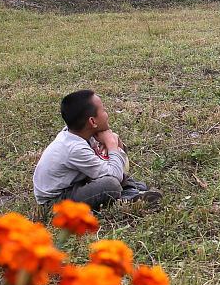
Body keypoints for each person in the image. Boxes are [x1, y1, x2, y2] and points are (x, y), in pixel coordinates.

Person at [32, 89, 161, 208]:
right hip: (57, 199)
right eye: (103, 110)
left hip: (76, 182)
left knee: (111, 166)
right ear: (92, 122)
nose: (107, 114)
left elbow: (112, 162)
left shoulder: (82, 133)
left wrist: (116, 141)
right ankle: (127, 196)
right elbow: (115, 175)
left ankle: (130, 190)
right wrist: (111, 144)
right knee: (111, 185)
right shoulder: (74, 148)